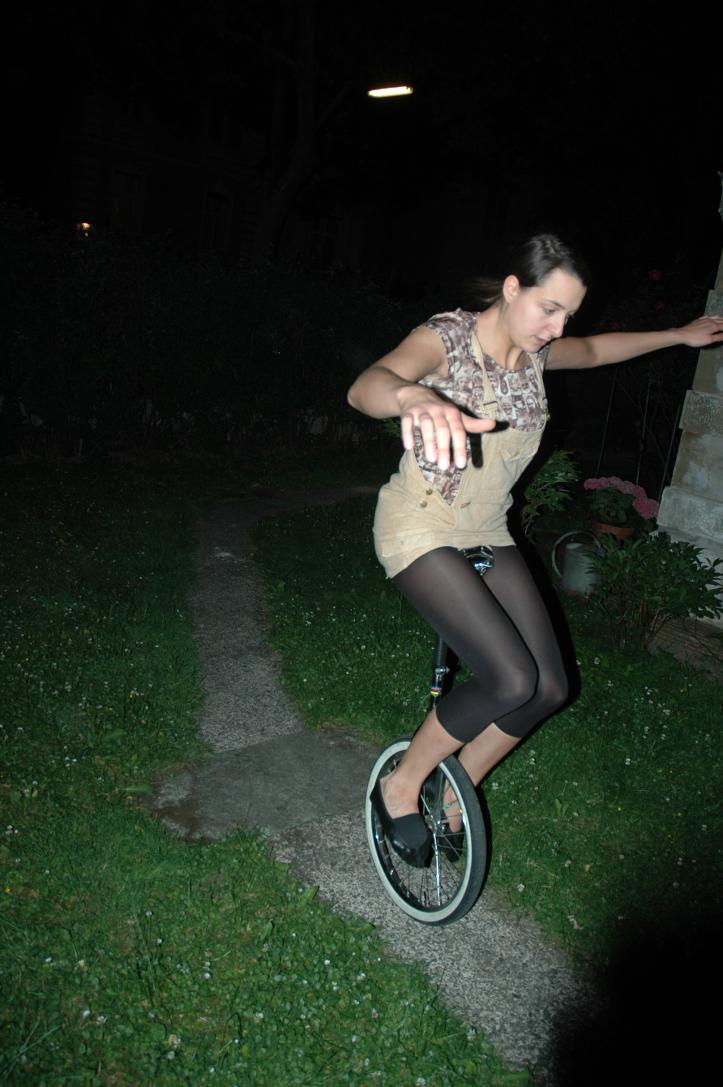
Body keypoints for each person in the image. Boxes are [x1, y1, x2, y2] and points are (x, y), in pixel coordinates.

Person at [347, 232, 723, 867]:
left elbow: (599, 350)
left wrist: (679, 335)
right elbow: (367, 386)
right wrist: (412, 395)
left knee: (549, 688)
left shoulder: (536, 353)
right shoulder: (448, 338)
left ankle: (454, 791)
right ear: (512, 288)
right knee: (510, 679)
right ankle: (403, 783)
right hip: (421, 525)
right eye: (550, 309)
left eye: (568, 315)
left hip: (488, 529)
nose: (557, 328)